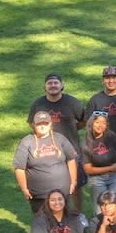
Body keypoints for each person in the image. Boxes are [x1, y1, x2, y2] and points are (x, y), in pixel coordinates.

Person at [29, 73, 86, 210]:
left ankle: (78, 215)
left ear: (62, 86)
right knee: (51, 185)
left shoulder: (72, 102)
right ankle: (53, 215)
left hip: (71, 150)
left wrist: (72, 128)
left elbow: (84, 120)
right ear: (45, 86)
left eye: (56, 83)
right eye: (50, 83)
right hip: (48, 151)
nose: (53, 85)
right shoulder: (38, 104)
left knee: (76, 186)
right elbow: (32, 123)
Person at [14, 110, 77, 214]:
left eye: (45, 123)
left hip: (62, 193)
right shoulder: (26, 142)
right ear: (33, 125)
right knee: (42, 224)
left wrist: (73, 182)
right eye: (39, 124)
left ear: (50, 124)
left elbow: (71, 159)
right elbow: (19, 168)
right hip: (39, 195)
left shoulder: (60, 138)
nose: (42, 126)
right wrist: (24, 188)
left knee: (63, 223)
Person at [81, 112, 116, 213]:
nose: (100, 125)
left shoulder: (111, 137)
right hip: (97, 179)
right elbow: (88, 169)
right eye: (97, 122)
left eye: (104, 123)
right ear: (91, 123)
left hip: (115, 177)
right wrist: (110, 168)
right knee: (101, 211)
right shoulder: (85, 143)